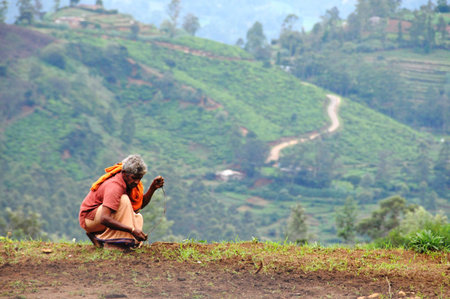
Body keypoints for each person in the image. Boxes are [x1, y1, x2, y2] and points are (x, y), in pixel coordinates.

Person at [79, 154, 164, 249]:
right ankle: (113, 243)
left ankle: (100, 237)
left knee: (138, 217)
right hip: (90, 219)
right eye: (134, 178)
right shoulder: (115, 186)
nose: (137, 182)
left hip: (103, 217)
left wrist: (152, 188)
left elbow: (138, 206)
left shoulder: (131, 184)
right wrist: (132, 230)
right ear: (124, 173)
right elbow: (104, 218)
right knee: (123, 200)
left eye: (139, 178)